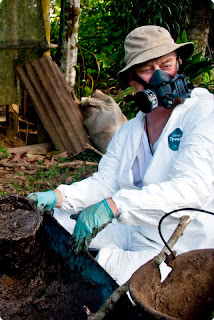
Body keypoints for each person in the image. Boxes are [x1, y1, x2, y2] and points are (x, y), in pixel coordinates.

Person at [28, 25, 214, 286]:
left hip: (181, 245)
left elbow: (188, 191)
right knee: (55, 225)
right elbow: (105, 182)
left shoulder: (204, 114)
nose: (161, 77)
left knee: (104, 271)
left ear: (179, 64)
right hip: (134, 229)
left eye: (167, 64)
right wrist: (59, 196)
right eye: (148, 70)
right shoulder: (130, 130)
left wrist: (113, 206)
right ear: (133, 81)